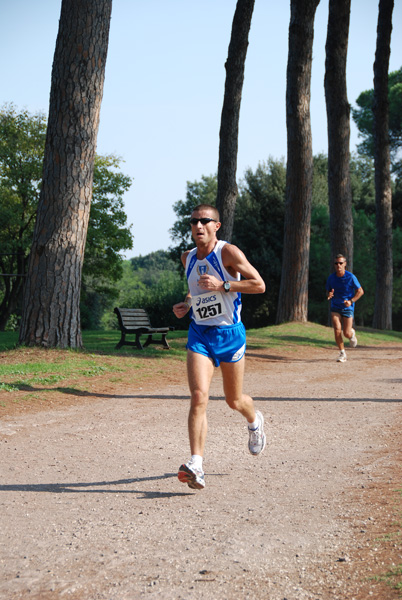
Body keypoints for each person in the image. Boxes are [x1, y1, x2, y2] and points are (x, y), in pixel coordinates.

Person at [172, 204, 266, 490]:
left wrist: (224, 285)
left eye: (205, 221)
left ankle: (254, 420)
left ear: (217, 225)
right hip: (200, 334)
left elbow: (258, 284)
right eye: (194, 222)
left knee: (233, 400)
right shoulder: (186, 257)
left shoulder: (228, 253)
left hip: (229, 335)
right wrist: (186, 303)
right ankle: (196, 465)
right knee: (199, 396)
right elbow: (196, 289)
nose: (198, 226)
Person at [326, 254, 364, 363]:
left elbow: (360, 291)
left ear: (345, 264)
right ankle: (342, 353)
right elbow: (328, 291)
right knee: (337, 329)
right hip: (335, 306)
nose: (338, 265)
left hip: (347, 307)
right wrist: (329, 295)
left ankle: (352, 333)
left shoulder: (351, 277)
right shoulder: (331, 278)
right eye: (336, 263)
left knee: (346, 333)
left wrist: (351, 301)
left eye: (341, 263)